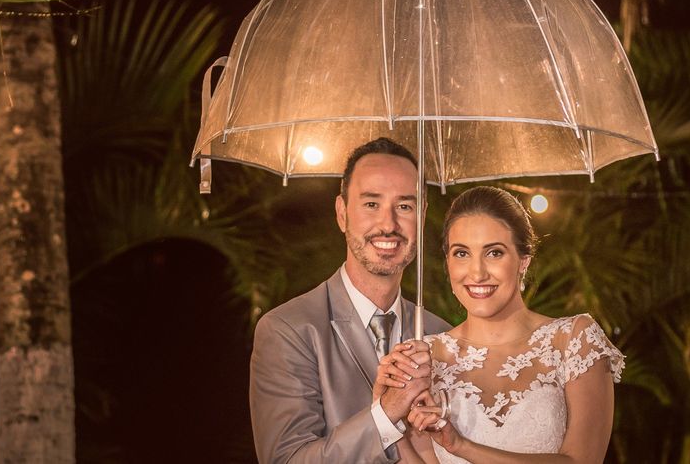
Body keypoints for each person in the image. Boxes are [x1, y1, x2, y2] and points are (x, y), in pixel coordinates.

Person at [375, 186, 625, 463]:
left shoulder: (574, 341)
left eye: (494, 253)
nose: (477, 272)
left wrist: (461, 446)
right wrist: (385, 413)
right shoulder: (422, 360)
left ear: (523, 262)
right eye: (461, 253)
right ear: (447, 263)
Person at [249, 137, 452, 463]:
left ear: (422, 215)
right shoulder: (288, 330)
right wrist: (386, 414)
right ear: (342, 213)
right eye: (371, 204)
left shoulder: (443, 336)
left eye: (405, 206)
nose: (388, 225)